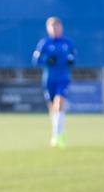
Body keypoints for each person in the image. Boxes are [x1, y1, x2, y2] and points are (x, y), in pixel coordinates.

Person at [32, 16, 76, 147]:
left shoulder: (67, 42)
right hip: (49, 79)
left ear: (61, 28)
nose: (56, 29)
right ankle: (57, 132)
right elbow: (35, 60)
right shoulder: (44, 43)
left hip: (63, 78)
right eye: (53, 27)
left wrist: (71, 60)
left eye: (58, 26)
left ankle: (57, 135)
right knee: (53, 108)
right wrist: (47, 60)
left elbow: (74, 57)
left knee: (59, 102)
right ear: (48, 29)